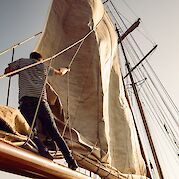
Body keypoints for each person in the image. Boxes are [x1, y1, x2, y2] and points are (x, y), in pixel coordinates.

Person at [4, 51, 78, 170]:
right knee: (55, 132)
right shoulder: (44, 67)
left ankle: (43, 151)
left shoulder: (23, 62)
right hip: (41, 102)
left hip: (26, 101)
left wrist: (17, 71)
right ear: (40, 59)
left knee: (31, 131)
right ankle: (71, 161)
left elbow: (7, 72)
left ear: (31, 57)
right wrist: (67, 69)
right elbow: (60, 72)